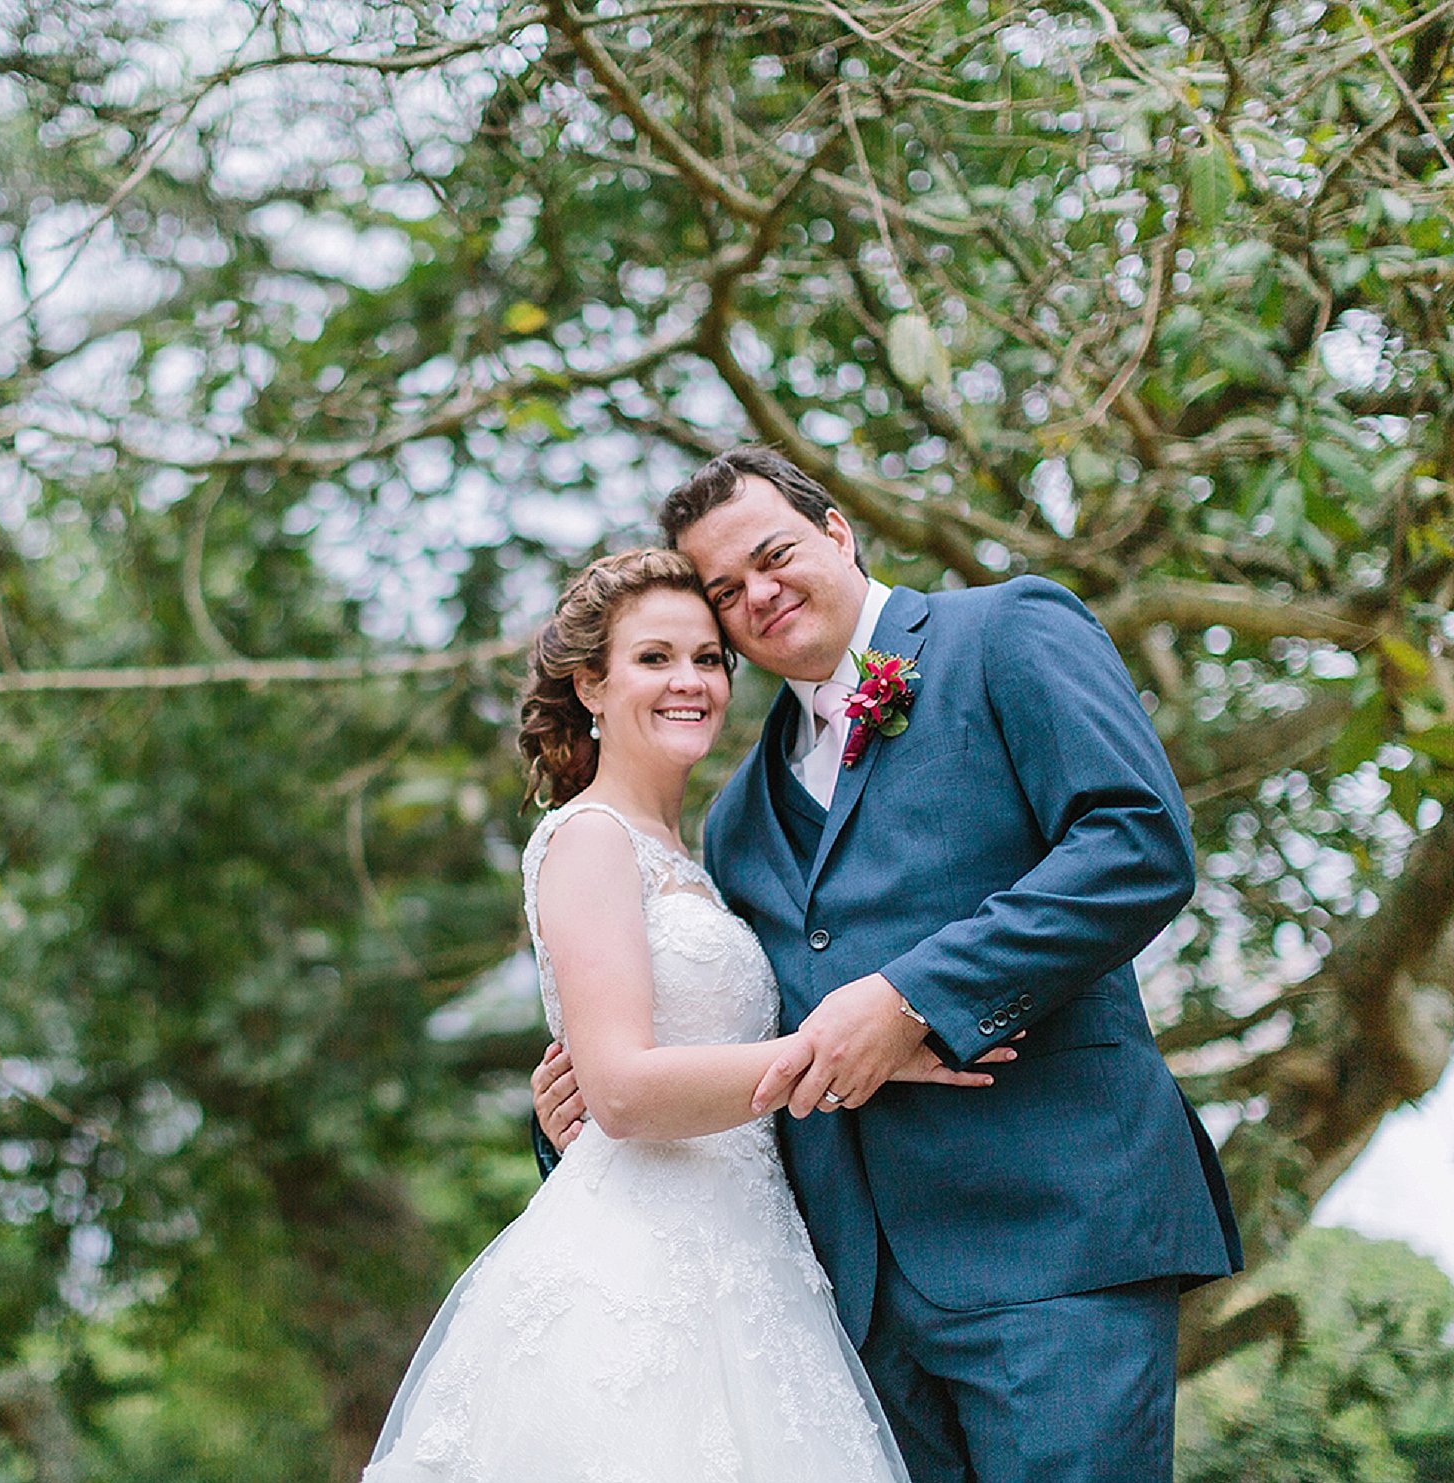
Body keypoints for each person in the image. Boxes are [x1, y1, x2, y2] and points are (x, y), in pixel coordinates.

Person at [532, 447, 1243, 1483]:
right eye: (726, 590)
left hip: (1051, 1243)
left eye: (774, 555)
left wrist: (913, 998)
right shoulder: (736, 818)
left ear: (837, 531)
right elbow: (719, 1025)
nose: (758, 594)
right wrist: (577, 1118)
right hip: (848, 1309)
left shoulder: (1006, 632)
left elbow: (1137, 842)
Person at [364, 548, 1012, 1482]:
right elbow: (622, 1091)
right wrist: (839, 1051)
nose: (690, 681)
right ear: (590, 684)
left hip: (756, 1259)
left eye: (709, 658)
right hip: (642, 1268)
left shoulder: (703, 860)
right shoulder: (589, 838)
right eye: (654, 657)